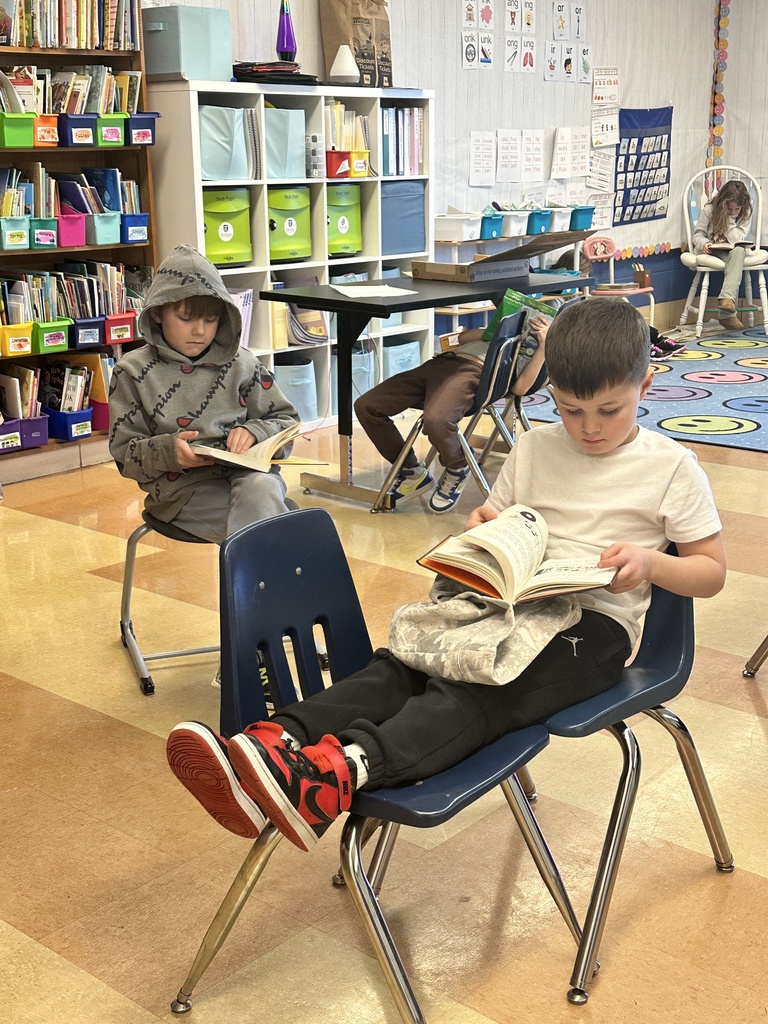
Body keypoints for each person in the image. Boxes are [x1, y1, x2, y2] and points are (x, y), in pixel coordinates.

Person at [166, 298, 726, 851]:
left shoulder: (671, 467)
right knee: (405, 665)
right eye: (570, 409)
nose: (588, 427)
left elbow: (710, 571)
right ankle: (270, 746)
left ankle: (337, 774)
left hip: (592, 627)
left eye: (609, 410)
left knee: (484, 691)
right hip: (508, 599)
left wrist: (652, 564)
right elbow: (500, 519)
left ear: (646, 387)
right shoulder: (533, 448)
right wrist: (484, 528)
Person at [109, 244, 299, 545]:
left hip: (249, 479)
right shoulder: (131, 371)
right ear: (158, 312)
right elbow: (124, 455)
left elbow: (287, 421)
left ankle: (260, 581)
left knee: (262, 492)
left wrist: (255, 431)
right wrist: (170, 452)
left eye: (210, 321)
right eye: (186, 318)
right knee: (277, 529)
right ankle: (273, 583)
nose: (199, 330)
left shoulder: (243, 363)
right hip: (180, 493)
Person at [353, 312, 549, 515]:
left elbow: (521, 389)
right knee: (367, 406)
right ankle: (411, 471)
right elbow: (453, 341)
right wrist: (493, 331)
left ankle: (458, 466)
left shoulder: (533, 350)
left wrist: (543, 346)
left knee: (436, 420)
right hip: (440, 363)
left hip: (474, 371)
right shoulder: (496, 335)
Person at [692, 178, 753, 330]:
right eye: (729, 208)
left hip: (732, 250)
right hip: (713, 249)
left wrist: (729, 219)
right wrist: (703, 243)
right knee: (736, 264)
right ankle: (727, 313)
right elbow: (698, 234)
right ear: (722, 203)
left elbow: (737, 238)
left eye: (736, 209)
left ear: (742, 206)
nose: (733, 212)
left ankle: (727, 305)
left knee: (738, 252)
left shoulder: (745, 213)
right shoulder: (709, 210)